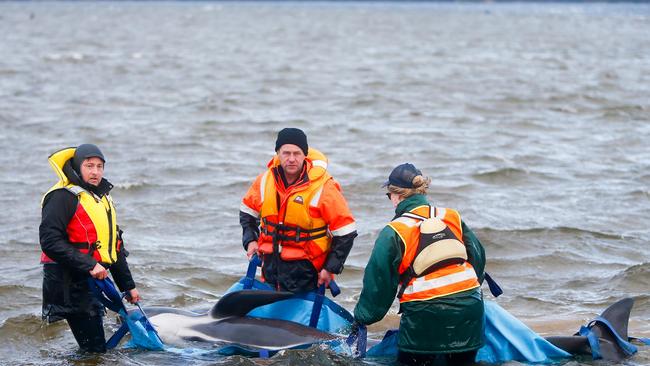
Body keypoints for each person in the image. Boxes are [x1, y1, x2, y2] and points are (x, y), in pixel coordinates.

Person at [353, 163, 486, 366]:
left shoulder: (394, 230)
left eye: (389, 196)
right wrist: (467, 292)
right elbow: (478, 256)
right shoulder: (451, 216)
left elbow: (379, 283)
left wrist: (363, 318)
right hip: (470, 309)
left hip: (425, 317)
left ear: (396, 195)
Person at [39, 144, 140, 353]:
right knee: (94, 351)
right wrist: (89, 264)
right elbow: (50, 241)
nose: (95, 172)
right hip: (68, 283)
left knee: (94, 350)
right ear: (77, 166)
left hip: (92, 281)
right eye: (89, 166)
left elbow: (114, 247)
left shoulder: (101, 199)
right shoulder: (62, 197)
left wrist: (127, 286)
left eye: (100, 166)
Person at [239, 128, 357, 293]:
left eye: (297, 153)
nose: (292, 159)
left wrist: (330, 269)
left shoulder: (324, 187)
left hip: (307, 273)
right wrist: (250, 240)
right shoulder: (264, 181)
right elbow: (247, 213)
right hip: (270, 268)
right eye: (286, 153)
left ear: (305, 155)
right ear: (278, 154)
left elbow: (346, 232)